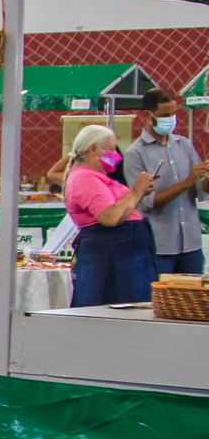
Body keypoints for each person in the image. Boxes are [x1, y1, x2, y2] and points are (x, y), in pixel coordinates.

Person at [65, 124, 158, 306]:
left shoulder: (96, 177)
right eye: (111, 149)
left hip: (125, 255)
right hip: (113, 255)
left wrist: (138, 193)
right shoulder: (85, 178)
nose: (116, 154)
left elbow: (119, 211)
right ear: (93, 148)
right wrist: (136, 192)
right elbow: (110, 217)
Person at [122, 87, 207, 275]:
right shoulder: (135, 154)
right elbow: (145, 203)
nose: (171, 119)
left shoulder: (183, 144)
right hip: (159, 247)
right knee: (157, 301)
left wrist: (206, 179)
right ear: (148, 115)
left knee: (192, 301)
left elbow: (201, 190)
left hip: (191, 246)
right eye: (165, 115)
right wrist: (186, 182)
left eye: (174, 113)